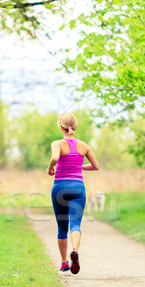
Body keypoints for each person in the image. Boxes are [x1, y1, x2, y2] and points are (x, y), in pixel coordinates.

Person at [47, 113, 99, 274]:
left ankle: (64, 262)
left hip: (60, 188)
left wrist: (50, 167)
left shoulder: (57, 143)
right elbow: (95, 166)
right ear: (75, 128)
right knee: (75, 225)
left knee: (61, 228)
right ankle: (75, 250)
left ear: (61, 127)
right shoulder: (84, 146)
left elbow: (55, 158)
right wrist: (79, 167)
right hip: (78, 188)